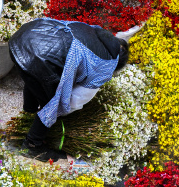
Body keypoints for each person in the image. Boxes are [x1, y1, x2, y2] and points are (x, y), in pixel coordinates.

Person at [8, 18, 130, 162]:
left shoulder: (93, 30)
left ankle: (29, 110)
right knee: (53, 101)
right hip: (38, 59)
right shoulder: (105, 67)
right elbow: (76, 99)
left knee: (33, 73)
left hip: (21, 39)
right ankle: (32, 144)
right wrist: (59, 113)